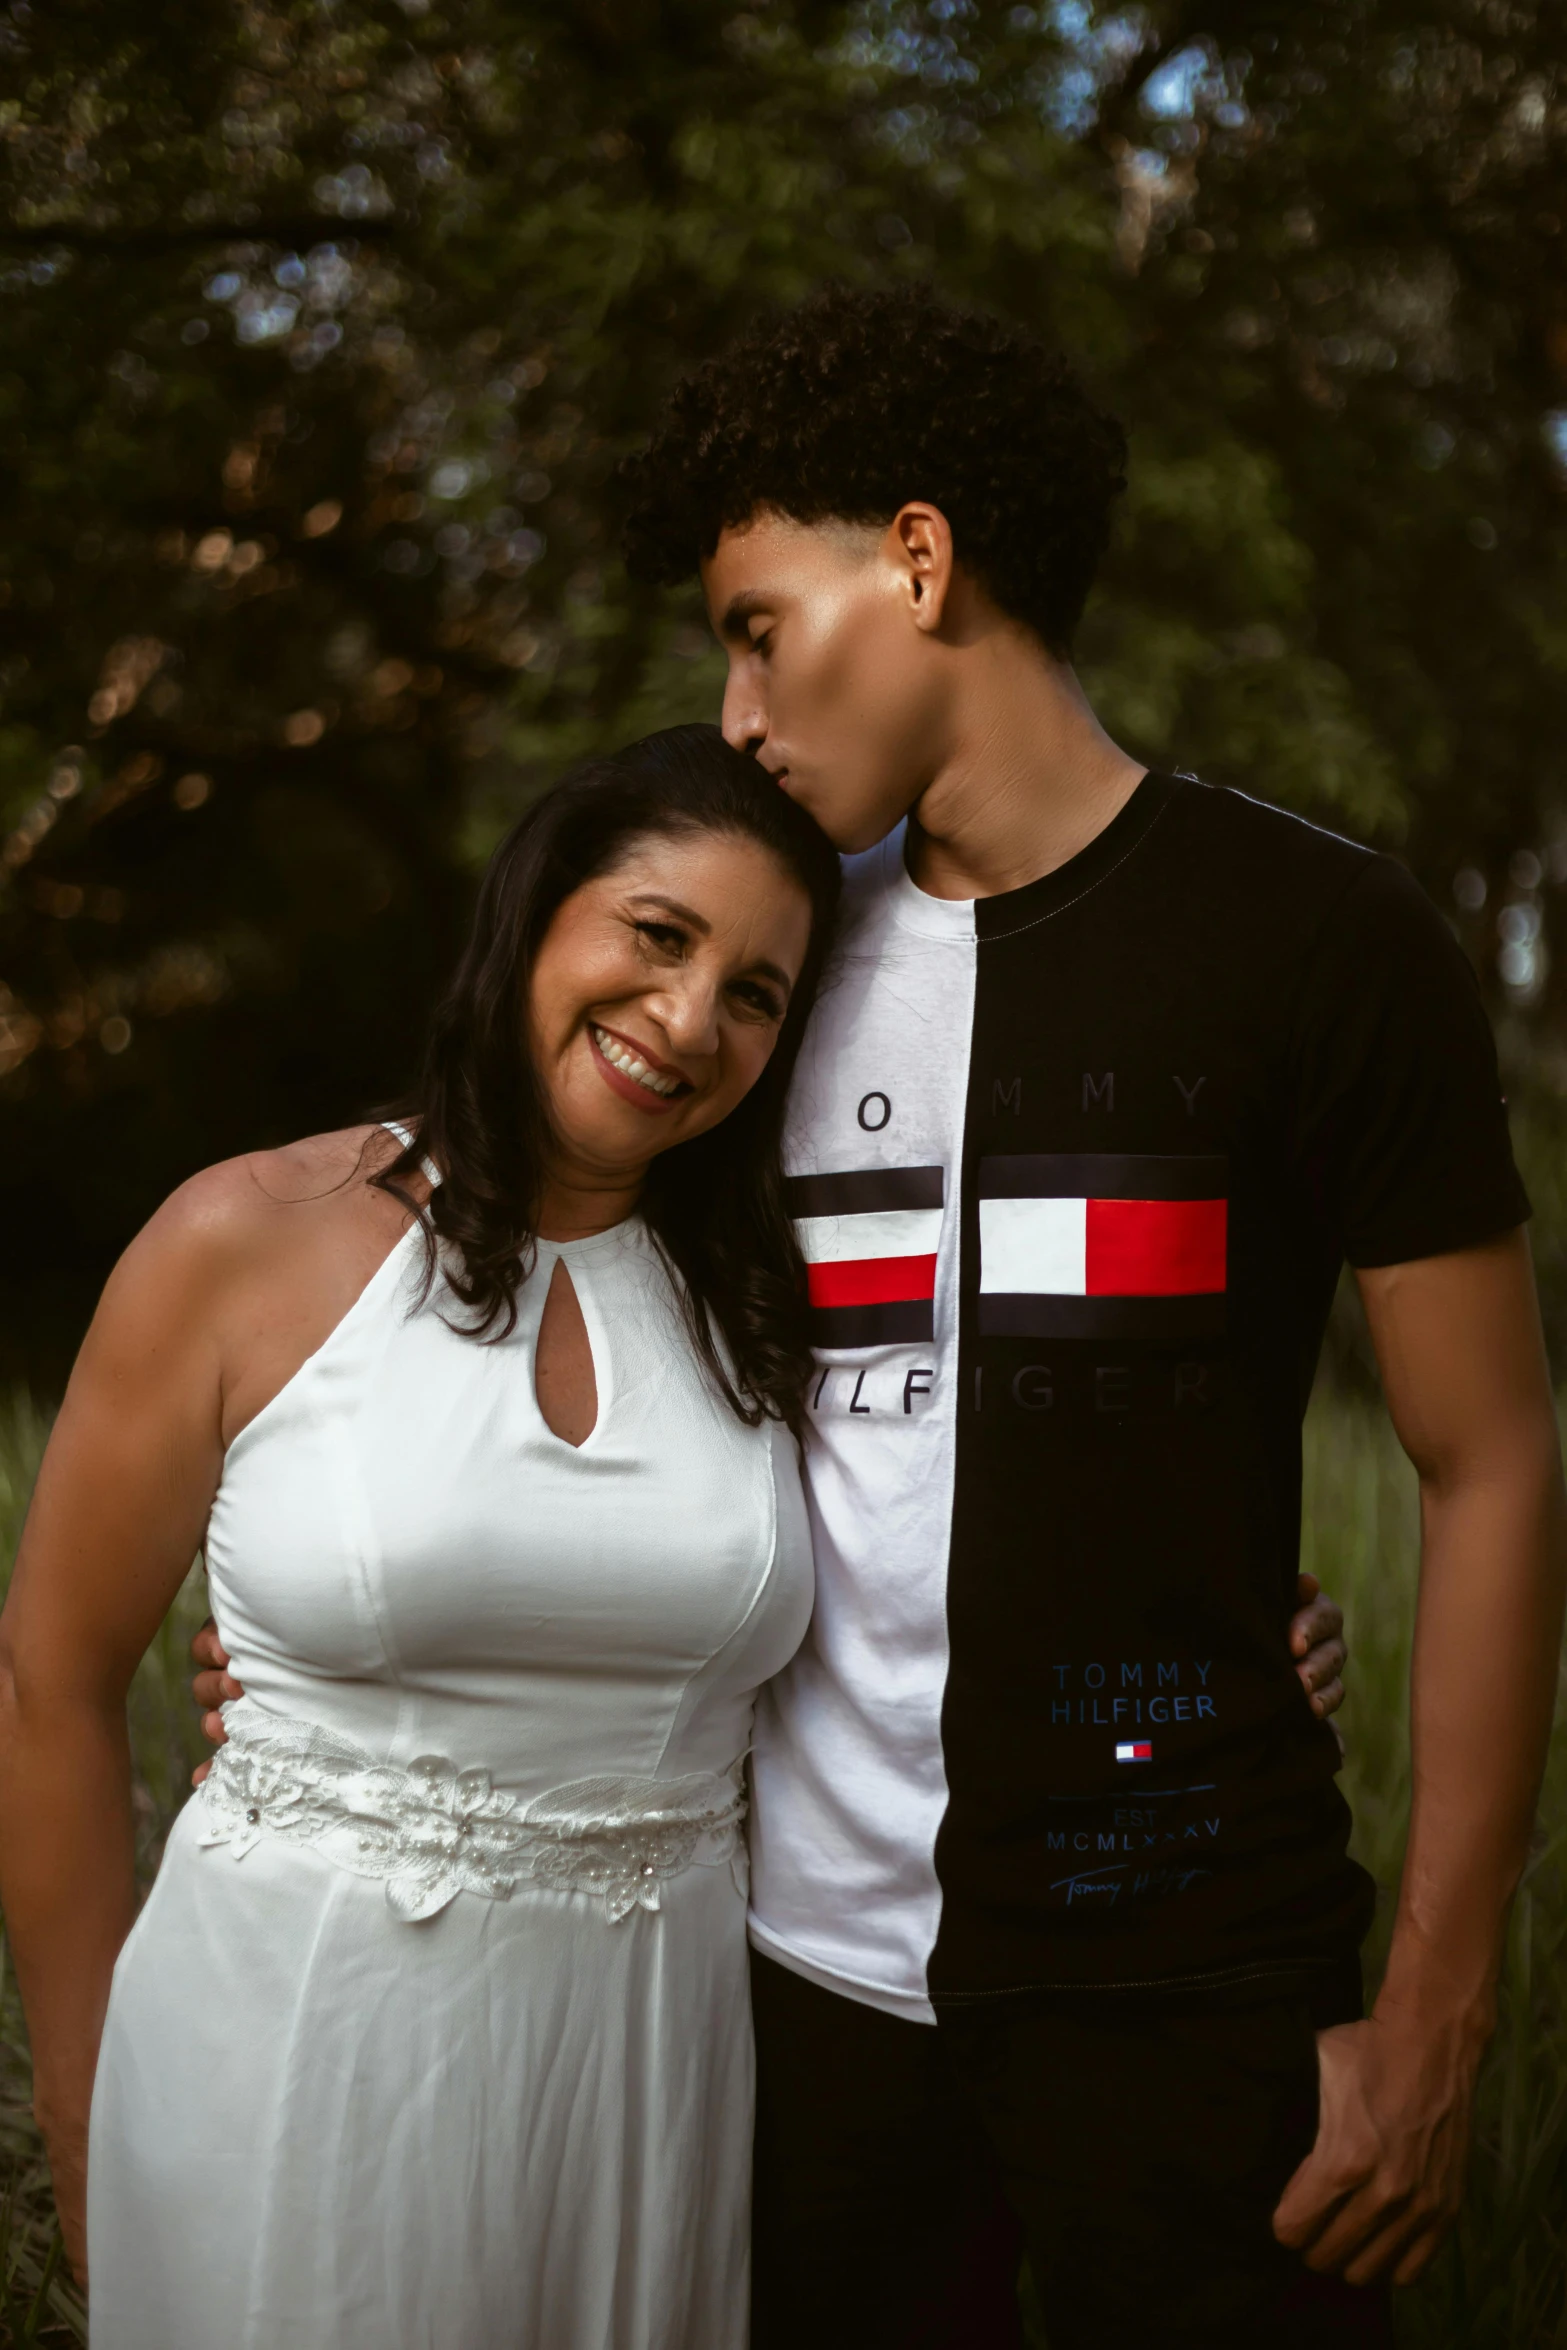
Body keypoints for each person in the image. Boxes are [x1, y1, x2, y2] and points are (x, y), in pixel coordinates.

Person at [605, 285, 1557, 2347]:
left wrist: (1435, 2016)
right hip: (808, 1999)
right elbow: (554, 1315)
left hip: (1203, 1989)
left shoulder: (1323, 938)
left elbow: (1490, 1460)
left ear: (922, 562)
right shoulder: (750, 982)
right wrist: (344, 1648)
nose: (742, 711)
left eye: (760, 623)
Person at [0, 727, 845, 2347]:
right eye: (656, 936)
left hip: (648, 2073)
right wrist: (87, 2122)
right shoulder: (245, 1238)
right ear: (535, 909)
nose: (688, 1019)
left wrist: (1235, 1637)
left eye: (755, 991)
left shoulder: (761, 1313)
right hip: (296, 2052)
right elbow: (51, 1679)